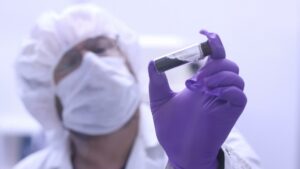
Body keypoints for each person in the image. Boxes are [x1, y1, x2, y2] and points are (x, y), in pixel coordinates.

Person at [13, 4, 261, 169]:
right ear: (49, 100)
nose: (91, 64)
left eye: (100, 49)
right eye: (71, 62)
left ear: (130, 65)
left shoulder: (208, 138)